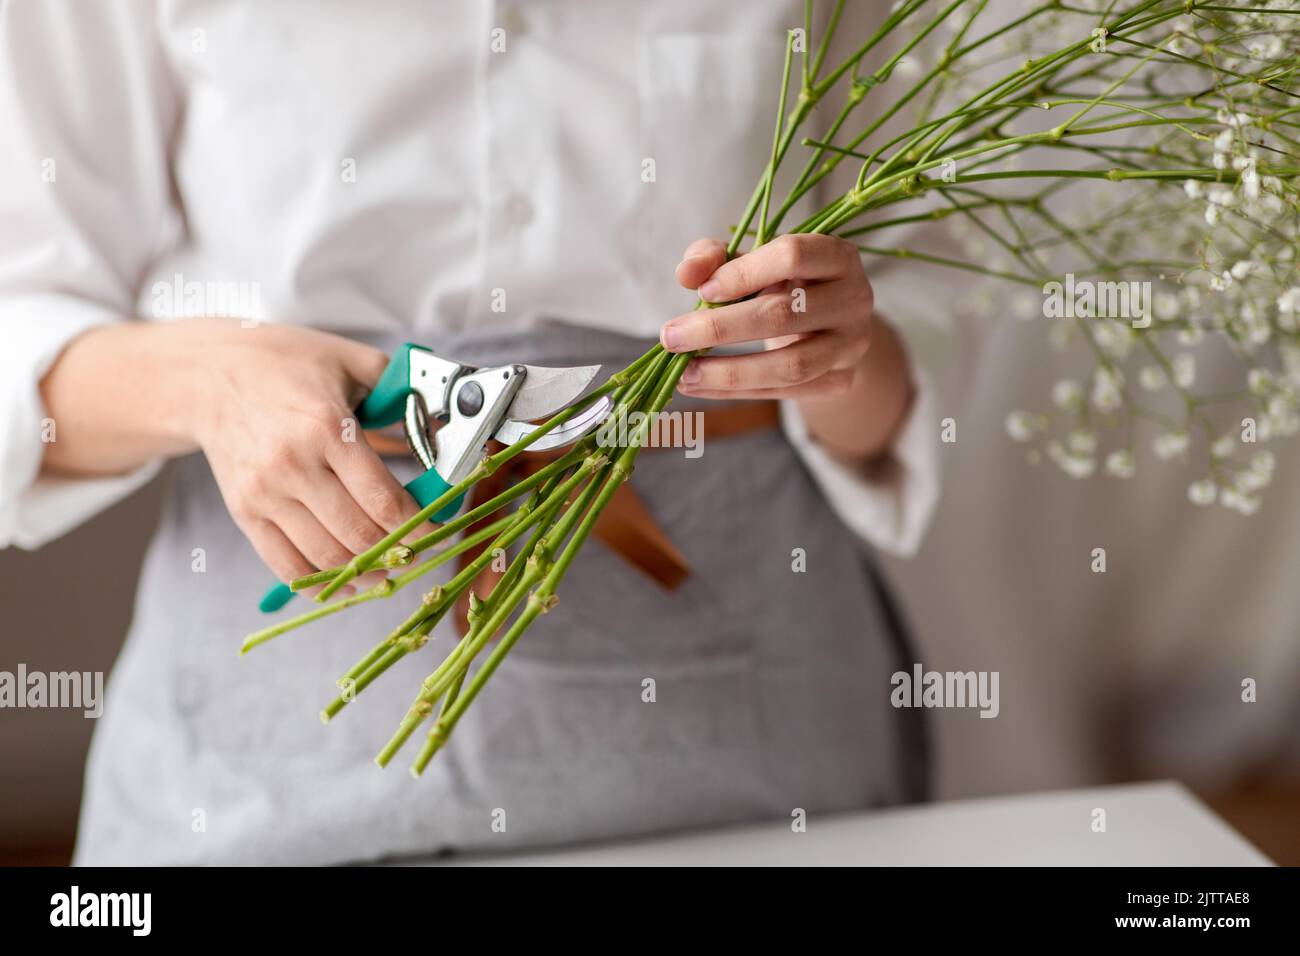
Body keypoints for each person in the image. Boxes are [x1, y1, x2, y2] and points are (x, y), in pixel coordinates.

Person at [0, 1, 947, 864]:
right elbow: (21, 316)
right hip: (262, 761)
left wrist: (834, 350)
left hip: (759, 751)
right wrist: (211, 380)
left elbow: (935, 321)